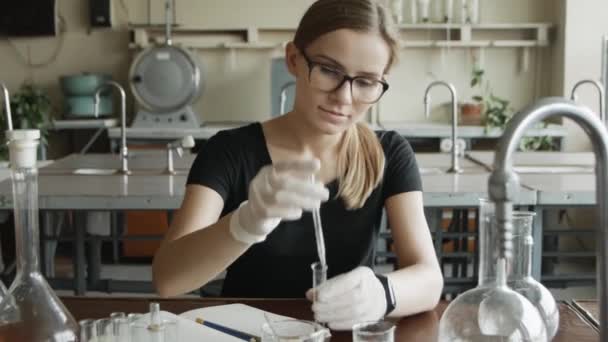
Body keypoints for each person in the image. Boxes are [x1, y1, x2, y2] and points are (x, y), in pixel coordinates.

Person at [153, 0, 443, 330]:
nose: (344, 98)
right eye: (329, 70)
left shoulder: (388, 152)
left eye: (365, 81)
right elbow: (168, 279)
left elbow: (430, 279)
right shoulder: (230, 151)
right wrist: (244, 224)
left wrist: (384, 292)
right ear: (294, 59)